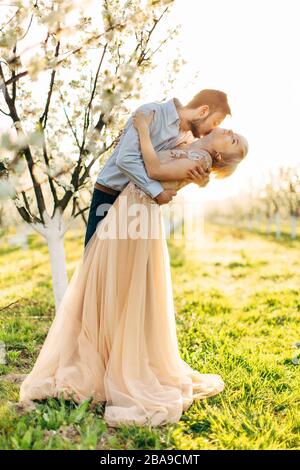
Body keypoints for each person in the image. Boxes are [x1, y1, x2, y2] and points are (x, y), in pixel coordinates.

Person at [19, 109, 248, 429]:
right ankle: (103, 357)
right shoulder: (191, 144)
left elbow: (153, 167)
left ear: (221, 153)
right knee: (110, 284)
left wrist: (141, 128)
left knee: (120, 286)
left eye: (233, 139)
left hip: (135, 217)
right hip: (129, 210)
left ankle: (115, 363)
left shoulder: (201, 160)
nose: (229, 131)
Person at [84, 89, 232, 246]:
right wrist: (157, 191)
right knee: (96, 260)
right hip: (110, 195)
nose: (212, 131)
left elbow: (181, 166)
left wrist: (203, 179)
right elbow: (125, 160)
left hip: (141, 205)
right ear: (203, 111)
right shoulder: (150, 113)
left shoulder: (189, 138)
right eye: (215, 123)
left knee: (128, 267)